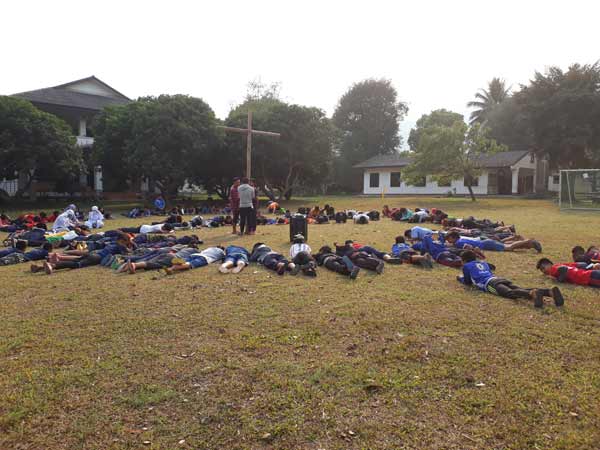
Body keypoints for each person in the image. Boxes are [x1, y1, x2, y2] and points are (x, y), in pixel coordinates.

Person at [459, 251, 564, 308]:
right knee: (519, 289)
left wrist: (460, 278)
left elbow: (468, 282)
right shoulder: (483, 263)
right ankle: (549, 292)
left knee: (509, 293)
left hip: (489, 283)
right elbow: (491, 267)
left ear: (463, 261)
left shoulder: (466, 266)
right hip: (498, 279)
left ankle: (532, 293)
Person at [32, 232, 132, 275]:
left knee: (76, 260)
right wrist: (130, 246)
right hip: (96, 258)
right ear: (122, 241)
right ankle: (52, 265)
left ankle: (40, 267)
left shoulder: (113, 242)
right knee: (76, 264)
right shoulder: (120, 246)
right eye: (126, 242)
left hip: (93, 254)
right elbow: (128, 253)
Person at [445, 231, 542, 253]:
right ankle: (530, 245)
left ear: (453, 238)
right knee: (507, 245)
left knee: (509, 247)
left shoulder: (458, 243)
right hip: (485, 241)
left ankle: (528, 240)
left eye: (448, 239)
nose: (448, 241)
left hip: (485, 244)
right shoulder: (460, 238)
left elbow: (467, 247)